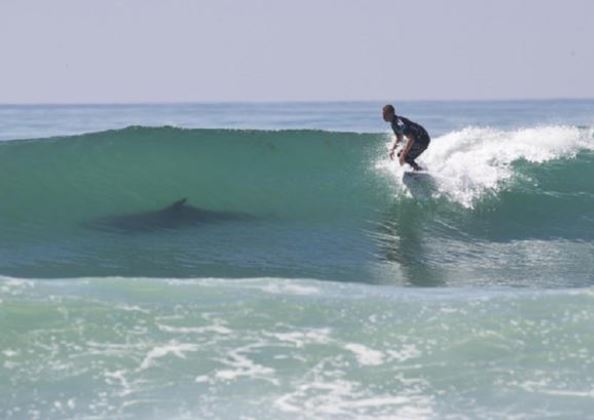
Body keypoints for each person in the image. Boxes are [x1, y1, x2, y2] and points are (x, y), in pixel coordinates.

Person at [382, 104, 430, 171]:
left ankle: (419, 171)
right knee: (400, 155)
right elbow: (399, 138)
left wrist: (404, 154)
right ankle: (417, 170)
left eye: (385, 114)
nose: (383, 116)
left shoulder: (399, 122)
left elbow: (411, 138)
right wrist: (392, 150)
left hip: (422, 138)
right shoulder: (393, 124)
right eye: (383, 114)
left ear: (391, 113)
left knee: (404, 156)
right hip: (418, 139)